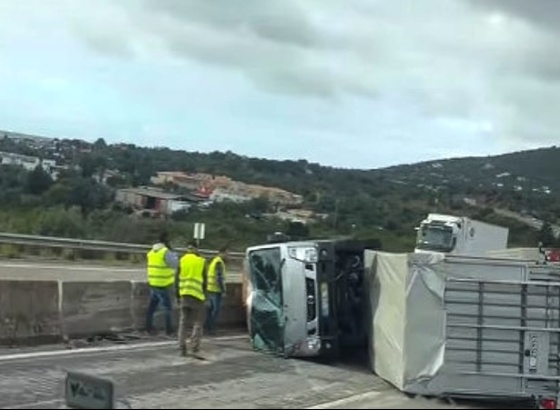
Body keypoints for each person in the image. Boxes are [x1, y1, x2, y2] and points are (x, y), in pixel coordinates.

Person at [177, 243, 207, 357]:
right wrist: (205, 295)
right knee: (198, 322)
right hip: (197, 296)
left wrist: (177, 296)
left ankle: (182, 348)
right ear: (196, 249)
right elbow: (205, 281)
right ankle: (195, 346)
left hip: (184, 295)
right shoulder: (201, 261)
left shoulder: (182, 260)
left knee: (183, 323)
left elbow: (176, 279)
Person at [145, 232, 178, 336]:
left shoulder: (151, 252)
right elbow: (175, 264)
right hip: (164, 284)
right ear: (167, 241)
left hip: (153, 283)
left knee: (151, 308)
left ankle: (148, 328)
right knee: (167, 308)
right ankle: (169, 330)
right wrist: (173, 253)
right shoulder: (166, 252)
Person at [204, 246, 228, 335]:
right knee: (215, 310)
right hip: (216, 290)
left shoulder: (214, 261)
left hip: (210, 288)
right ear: (222, 253)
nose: (227, 255)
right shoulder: (219, 262)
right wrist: (223, 290)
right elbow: (219, 278)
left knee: (210, 310)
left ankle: (207, 327)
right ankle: (212, 329)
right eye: (226, 253)